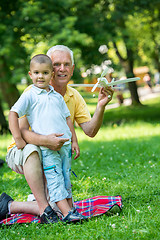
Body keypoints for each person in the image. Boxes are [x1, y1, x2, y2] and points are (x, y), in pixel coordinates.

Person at [0, 45, 114, 223]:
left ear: (72, 69)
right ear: (49, 68)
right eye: (57, 64)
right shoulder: (32, 93)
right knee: (34, 152)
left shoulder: (70, 96)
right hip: (25, 152)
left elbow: (89, 130)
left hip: (54, 152)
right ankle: (16, 206)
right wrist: (46, 141)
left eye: (66, 64)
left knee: (62, 204)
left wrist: (100, 107)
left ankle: (21, 205)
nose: (62, 69)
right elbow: (22, 131)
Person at [8, 54, 86, 223]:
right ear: (30, 74)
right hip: (47, 147)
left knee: (65, 176)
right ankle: (66, 214)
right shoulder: (30, 95)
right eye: (36, 73)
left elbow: (67, 119)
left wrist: (74, 141)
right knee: (54, 177)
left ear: (51, 75)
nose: (40, 76)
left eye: (44, 73)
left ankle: (71, 209)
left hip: (64, 147)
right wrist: (18, 138)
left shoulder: (57, 96)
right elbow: (13, 113)